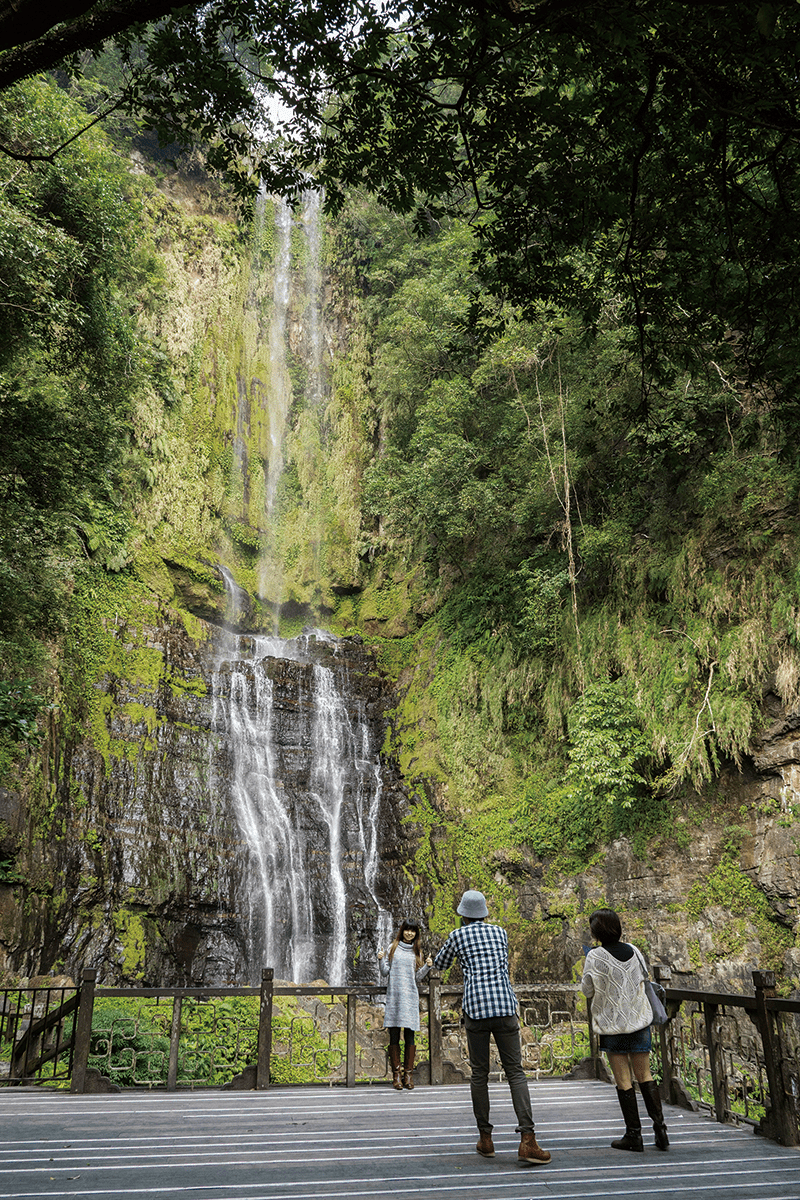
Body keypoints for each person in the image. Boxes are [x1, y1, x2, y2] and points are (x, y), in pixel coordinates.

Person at [433, 889, 551, 1165]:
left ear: (462, 915)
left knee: (479, 1074)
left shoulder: (457, 935)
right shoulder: (500, 933)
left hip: (476, 1009)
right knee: (516, 1073)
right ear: (485, 913)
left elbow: (440, 963)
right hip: (504, 1006)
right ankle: (528, 1140)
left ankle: (486, 1139)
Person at [581, 907, 669, 1152]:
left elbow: (587, 990)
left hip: (613, 1025)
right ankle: (660, 1130)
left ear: (597, 932)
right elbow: (643, 977)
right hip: (639, 1021)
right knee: (645, 1075)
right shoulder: (635, 951)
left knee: (623, 1080)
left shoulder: (595, 957)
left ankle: (634, 1135)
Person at [378, 919, 433, 1090]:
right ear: (402, 931)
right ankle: (396, 1075)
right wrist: (380, 959)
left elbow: (417, 978)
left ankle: (408, 1075)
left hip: (410, 997)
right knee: (394, 1035)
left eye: (413, 931)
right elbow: (385, 972)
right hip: (394, 997)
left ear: (416, 933)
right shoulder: (392, 948)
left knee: (410, 1036)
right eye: (407, 930)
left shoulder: (417, 952)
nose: (409, 933)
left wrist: (427, 967)